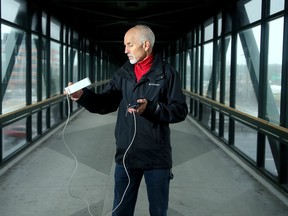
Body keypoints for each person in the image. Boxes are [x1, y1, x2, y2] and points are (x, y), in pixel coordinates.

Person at [65, 24, 188, 216]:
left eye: (129, 44)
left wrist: (152, 108)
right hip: (126, 155)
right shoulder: (123, 74)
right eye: (124, 45)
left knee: (158, 211)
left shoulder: (168, 73)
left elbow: (180, 111)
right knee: (120, 211)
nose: (125, 50)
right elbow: (105, 103)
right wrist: (83, 96)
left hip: (156, 157)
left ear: (146, 45)